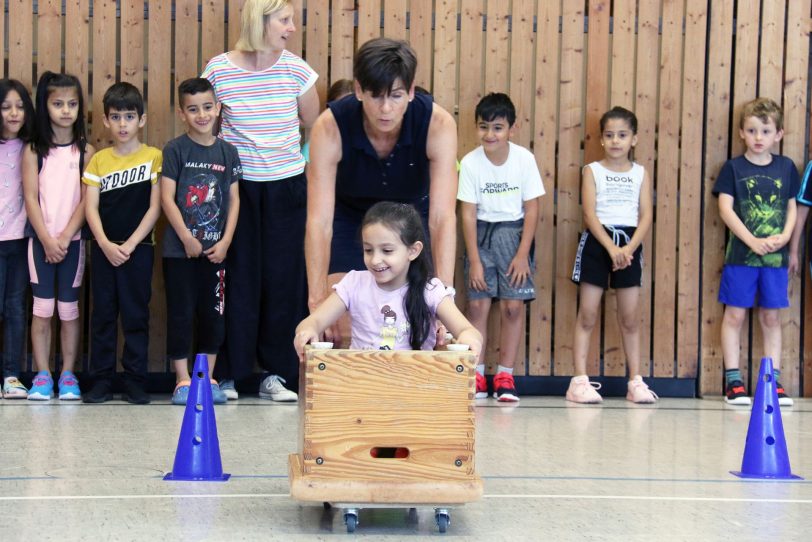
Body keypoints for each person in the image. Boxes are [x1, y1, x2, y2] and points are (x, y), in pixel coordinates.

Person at [306, 37, 459, 348]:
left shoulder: (438, 124)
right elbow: (319, 221)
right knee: (339, 322)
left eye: (397, 96)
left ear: (412, 91)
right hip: (350, 219)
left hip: (412, 217)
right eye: (376, 96)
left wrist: (446, 296)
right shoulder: (330, 127)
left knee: (431, 319)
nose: (386, 109)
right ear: (359, 89)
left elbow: (443, 218)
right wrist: (316, 298)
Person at [202, 0, 319, 402]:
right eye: (284, 20)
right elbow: (209, 131)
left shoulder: (297, 71)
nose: (291, 28)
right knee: (237, 278)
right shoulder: (218, 70)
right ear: (261, 20)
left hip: (287, 188)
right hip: (239, 192)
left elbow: (313, 128)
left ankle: (277, 373)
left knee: (283, 281)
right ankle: (231, 373)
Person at [294, 201, 482, 360]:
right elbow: (314, 322)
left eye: (387, 251)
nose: (375, 260)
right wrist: (307, 330)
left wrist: (469, 338)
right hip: (362, 385)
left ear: (413, 250)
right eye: (368, 250)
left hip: (415, 389)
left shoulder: (431, 291)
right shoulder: (353, 284)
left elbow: (467, 330)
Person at [566, 106, 656, 404]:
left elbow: (646, 215)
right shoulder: (592, 171)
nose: (616, 141)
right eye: (609, 135)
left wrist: (628, 249)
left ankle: (636, 381)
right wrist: (611, 247)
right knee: (588, 313)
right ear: (601, 139)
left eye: (622, 135)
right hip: (598, 243)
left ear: (634, 139)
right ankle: (579, 381)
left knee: (630, 317)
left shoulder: (640, 173)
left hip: (629, 246)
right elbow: (590, 214)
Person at [457, 93, 543, 403]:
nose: (490, 135)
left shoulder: (524, 159)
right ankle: (477, 373)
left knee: (512, 306)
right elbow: (467, 212)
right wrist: (475, 260)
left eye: (497, 128)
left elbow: (532, 209)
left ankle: (505, 374)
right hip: (481, 236)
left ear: (512, 129)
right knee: (478, 305)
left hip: (513, 234)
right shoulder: (470, 162)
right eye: (484, 127)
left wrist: (522, 254)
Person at [161, 78, 241, 405]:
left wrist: (224, 243)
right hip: (179, 254)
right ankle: (182, 379)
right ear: (182, 113)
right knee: (180, 314)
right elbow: (167, 198)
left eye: (208, 107)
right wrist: (185, 237)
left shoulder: (228, 151)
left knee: (213, 316)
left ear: (218, 108)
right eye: (193, 109)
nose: (202, 114)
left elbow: (235, 200)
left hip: (215, 254)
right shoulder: (175, 149)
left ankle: (206, 377)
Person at [81, 82, 162, 404]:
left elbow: (156, 207)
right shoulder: (99, 160)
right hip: (103, 251)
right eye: (116, 117)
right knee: (102, 315)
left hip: (138, 250)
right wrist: (104, 243)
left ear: (141, 120)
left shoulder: (154, 157)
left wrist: (129, 245)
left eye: (129, 116)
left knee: (135, 315)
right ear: (105, 120)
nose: (123, 124)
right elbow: (90, 206)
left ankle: (134, 380)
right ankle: (101, 379)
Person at [714, 97, 797, 407]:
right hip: (741, 258)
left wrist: (786, 236)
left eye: (765, 131)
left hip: (775, 259)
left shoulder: (786, 167)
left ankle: (771, 381)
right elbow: (725, 208)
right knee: (734, 315)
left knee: (771, 317)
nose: (758, 137)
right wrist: (751, 241)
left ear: (779, 134)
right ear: (741, 133)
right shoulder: (733, 168)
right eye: (752, 130)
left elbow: (791, 206)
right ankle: (733, 381)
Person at [21, 72, 95, 401]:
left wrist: (65, 236)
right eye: (58, 104)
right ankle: (41, 375)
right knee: (41, 310)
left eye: (72, 104)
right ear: (44, 106)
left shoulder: (86, 151)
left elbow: (86, 200)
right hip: (39, 243)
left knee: (68, 311)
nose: (66, 110)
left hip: (73, 244)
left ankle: (67, 374)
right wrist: (48, 240)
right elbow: (30, 199)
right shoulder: (34, 150)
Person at [0, 79, 35, 399]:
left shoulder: (32, 147)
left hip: (20, 240)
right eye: (6, 106)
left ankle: (11, 375)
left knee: (14, 308)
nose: (14, 113)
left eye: (20, 106)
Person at [301, 78, 353, 163]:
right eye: (340, 107)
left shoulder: (368, 147)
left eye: (351, 108)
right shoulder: (313, 148)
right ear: (329, 110)